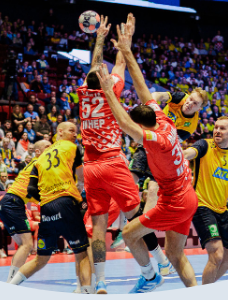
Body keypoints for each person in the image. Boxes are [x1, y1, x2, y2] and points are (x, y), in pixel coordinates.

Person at [99, 19, 198, 292]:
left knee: (129, 234)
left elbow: (124, 123)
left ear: (141, 126)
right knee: (176, 255)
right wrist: (127, 50)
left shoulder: (157, 141)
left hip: (175, 202)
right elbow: (142, 85)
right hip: (187, 196)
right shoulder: (164, 119)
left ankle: (150, 277)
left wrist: (108, 92)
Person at [76, 14, 154, 294]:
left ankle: (100, 280)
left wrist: (98, 39)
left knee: (98, 227)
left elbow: (94, 68)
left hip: (90, 167)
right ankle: (156, 265)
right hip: (112, 162)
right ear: (105, 81)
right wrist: (125, 41)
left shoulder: (84, 94)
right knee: (135, 215)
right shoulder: (113, 89)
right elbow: (120, 63)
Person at [14, 122, 93, 294]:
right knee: (82, 253)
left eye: (76, 131)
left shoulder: (40, 158)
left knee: (40, 259)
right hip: (66, 203)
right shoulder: (72, 148)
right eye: (71, 131)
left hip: (47, 207)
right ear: (60, 132)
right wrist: (78, 191)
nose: (75, 134)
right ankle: (87, 291)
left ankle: (9, 286)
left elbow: (31, 189)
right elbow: (81, 177)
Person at [180, 116, 228, 285]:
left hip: (222, 209)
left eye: (222, 128)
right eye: (216, 127)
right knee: (216, 253)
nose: (217, 131)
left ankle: (204, 288)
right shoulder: (204, 145)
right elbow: (189, 153)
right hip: (202, 205)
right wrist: (180, 153)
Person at [2, 140, 51, 284]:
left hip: (10, 203)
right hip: (13, 203)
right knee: (27, 245)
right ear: (38, 151)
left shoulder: (36, 164)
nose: (51, 149)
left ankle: (11, 281)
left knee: (25, 246)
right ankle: (10, 283)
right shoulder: (40, 163)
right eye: (47, 147)